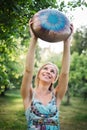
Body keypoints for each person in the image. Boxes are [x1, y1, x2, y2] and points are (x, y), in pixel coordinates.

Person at [21, 19, 74, 130]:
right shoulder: (29, 94)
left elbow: (65, 73)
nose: (48, 72)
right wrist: (34, 39)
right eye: (45, 68)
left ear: (54, 79)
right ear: (39, 73)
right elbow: (28, 70)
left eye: (52, 71)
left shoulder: (57, 95)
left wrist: (67, 43)